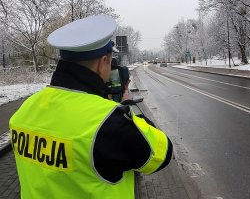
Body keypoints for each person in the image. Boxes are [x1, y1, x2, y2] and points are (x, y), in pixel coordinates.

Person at [9, 15, 172, 199]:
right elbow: (162, 153)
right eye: (110, 62)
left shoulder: (24, 110)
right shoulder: (109, 123)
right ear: (103, 61)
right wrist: (126, 107)